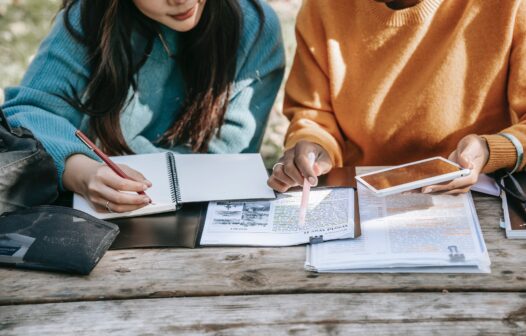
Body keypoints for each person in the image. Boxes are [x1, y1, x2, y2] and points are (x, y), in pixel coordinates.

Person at [2, 0, 285, 213]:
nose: (181, 0)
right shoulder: (90, 16)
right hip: (92, 216)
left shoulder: (254, 27)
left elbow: (229, 160)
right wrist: (81, 173)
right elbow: (28, 113)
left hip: (202, 218)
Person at [268, 0, 526, 194]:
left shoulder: (510, 6)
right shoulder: (323, 7)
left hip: (478, 197)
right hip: (360, 194)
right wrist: (313, 144)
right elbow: (314, 113)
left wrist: (491, 149)